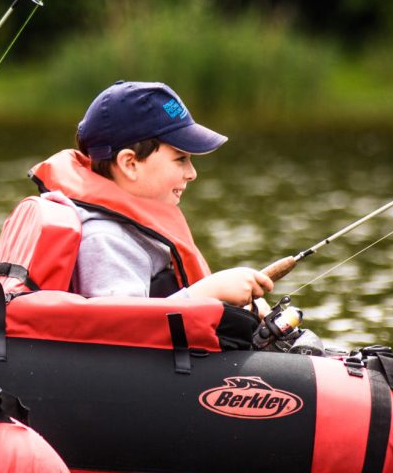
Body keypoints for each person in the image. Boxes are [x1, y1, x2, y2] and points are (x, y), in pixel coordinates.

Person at [31, 80, 274, 307]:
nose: (192, 173)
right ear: (130, 164)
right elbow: (122, 328)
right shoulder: (104, 239)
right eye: (180, 159)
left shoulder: (130, 229)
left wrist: (234, 312)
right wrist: (209, 292)